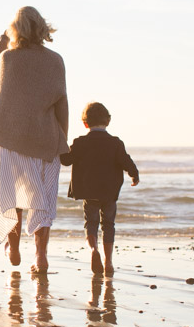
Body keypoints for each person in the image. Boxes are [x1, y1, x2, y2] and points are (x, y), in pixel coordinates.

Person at [0, 6, 69, 274]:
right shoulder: (55, 60)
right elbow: (61, 102)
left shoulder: (8, 58)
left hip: (11, 139)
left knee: (13, 194)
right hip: (45, 139)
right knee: (43, 199)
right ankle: (40, 256)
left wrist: (5, 36)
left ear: (15, 29)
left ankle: (14, 247)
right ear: (43, 29)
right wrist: (63, 140)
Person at [59, 102, 139, 276]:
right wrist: (134, 175)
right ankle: (108, 261)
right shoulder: (116, 143)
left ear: (85, 123)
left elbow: (65, 160)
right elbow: (126, 161)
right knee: (109, 224)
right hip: (109, 192)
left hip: (89, 191)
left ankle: (93, 250)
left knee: (91, 223)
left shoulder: (80, 143)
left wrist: (58, 143)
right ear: (108, 121)